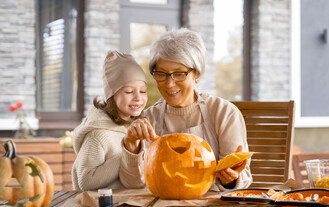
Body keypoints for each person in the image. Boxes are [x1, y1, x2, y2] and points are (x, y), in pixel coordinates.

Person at [121, 28, 252, 191]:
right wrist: (131, 144)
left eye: (179, 74)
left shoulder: (224, 113)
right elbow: (133, 184)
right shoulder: (148, 118)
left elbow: (243, 176)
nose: (169, 84)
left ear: (197, 74)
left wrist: (230, 179)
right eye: (161, 73)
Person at [72, 50, 148, 191]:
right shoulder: (98, 135)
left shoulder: (133, 128)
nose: (138, 98)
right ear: (112, 95)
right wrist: (129, 154)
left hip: (130, 205)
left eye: (143, 91)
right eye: (129, 92)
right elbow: (85, 181)